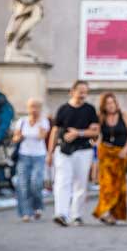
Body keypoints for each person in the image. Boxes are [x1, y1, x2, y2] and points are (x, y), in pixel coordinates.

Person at [47, 80, 99, 226]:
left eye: (85, 91)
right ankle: (61, 213)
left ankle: (76, 215)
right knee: (62, 181)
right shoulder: (63, 109)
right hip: (63, 150)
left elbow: (95, 131)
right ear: (72, 91)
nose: (83, 94)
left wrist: (79, 133)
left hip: (83, 150)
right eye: (80, 90)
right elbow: (55, 131)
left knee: (80, 183)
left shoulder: (90, 110)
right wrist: (50, 153)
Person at [93, 91, 127, 224]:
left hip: (120, 154)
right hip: (106, 154)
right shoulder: (101, 117)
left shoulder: (123, 115)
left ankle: (113, 215)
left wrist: (126, 149)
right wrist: (95, 143)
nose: (111, 105)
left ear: (116, 103)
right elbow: (96, 134)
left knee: (119, 186)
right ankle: (105, 211)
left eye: (112, 102)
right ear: (103, 105)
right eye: (107, 103)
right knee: (107, 185)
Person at [12, 98, 49, 221]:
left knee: (36, 182)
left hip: (39, 155)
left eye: (36, 107)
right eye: (31, 107)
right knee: (23, 184)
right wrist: (19, 136)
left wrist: (36, 123)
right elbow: (15, 139)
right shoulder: (21, 122)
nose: (33, 109)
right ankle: (25, 212)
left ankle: (37, 207)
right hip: (24, 155)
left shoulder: (43, 122)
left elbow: (41, 136)